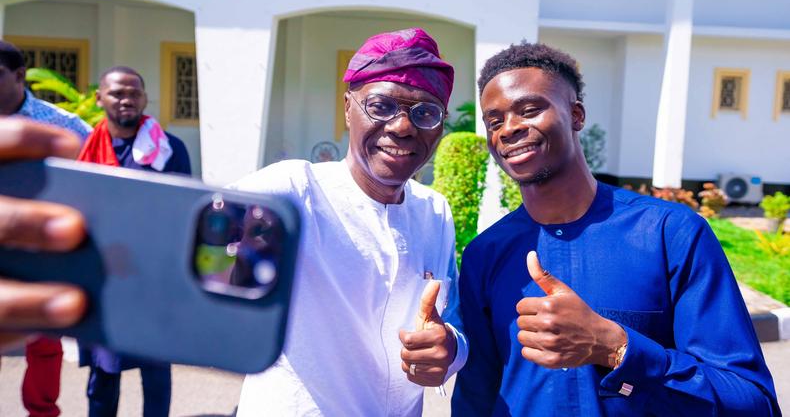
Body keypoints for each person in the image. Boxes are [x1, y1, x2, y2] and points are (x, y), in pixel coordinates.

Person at [451, 42, 781, 416]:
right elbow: (475, 399)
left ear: (576, 114)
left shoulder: (671, 234)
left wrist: (615, 348)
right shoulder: (485, 254)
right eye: (494, 121)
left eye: (529, 110)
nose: (508, 129)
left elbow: (752, 402)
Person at [233, 27, 468, 416]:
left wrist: (451, 349)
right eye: (382, 106)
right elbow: (194, 233)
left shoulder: (434, 212)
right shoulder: (295, 189)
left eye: (425, 113)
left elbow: (454, 320)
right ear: (347, 107)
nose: (402, 127)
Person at [77, 66, 191, 417]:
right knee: (104, 372)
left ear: (144, 97)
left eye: (134, 92)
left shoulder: (169, 149)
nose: (127, 99)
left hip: (152, 279)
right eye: (117, 93)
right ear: (99, 98)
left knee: (155, 368)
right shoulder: (85, 149)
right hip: (103, 278)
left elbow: (182, 213)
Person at [0, 40, 92, 417]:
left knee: (44, 343)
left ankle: (41, 411)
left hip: (44, 250)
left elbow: (97, 182)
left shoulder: (63, 127)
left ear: (20, 76)